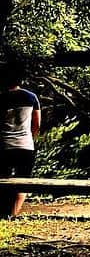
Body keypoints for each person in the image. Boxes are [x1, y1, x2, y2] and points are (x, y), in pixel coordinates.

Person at [1, 61, 40, 218]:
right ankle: (13, 214)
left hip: (3, 145)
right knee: (23, 181)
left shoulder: (1, 98)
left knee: (2, 179)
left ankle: (3, 213)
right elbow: (36, 124)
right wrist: (32, 139)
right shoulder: (31, 97)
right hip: (25, 145)